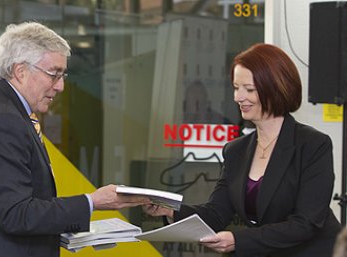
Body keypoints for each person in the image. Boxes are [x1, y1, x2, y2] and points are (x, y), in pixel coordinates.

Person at [0, 22, 150, 257]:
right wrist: (92, 201)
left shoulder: (0, 107)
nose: (60, 86)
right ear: (20, 71)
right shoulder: (2, 120)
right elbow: (17, 214)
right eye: (54, 74)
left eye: (63, 75)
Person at [144, 43, 342, 257]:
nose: (238, 97)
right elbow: (217, 213)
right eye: (236, 88)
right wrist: (170, 210)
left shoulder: (314, 145)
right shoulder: (235, 150)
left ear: (275, 88)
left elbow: (306, 223)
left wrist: (239, 240)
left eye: (249, 89)